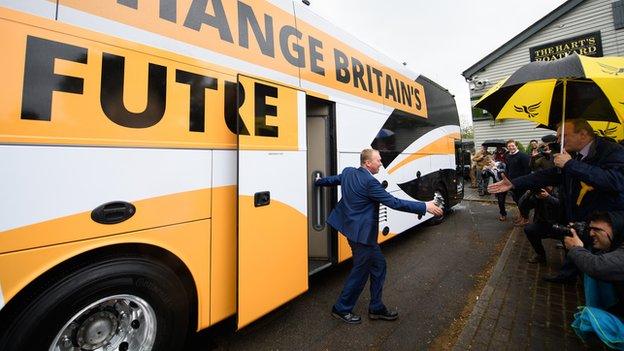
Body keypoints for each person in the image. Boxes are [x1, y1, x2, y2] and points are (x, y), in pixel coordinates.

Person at [315, 149, 443, 324]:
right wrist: (424, 206)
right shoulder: (370, 183)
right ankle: (341, 308)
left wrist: (319, 182)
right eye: (378, 160)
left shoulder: (349, 172)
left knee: (379, 266)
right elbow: (394, 202)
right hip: (363, 236)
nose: (381, 163)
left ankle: (376, 307)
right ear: (368, 163)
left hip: (352, 230)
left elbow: (334, 179)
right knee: (360, 273)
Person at [488, 118, 624, 283]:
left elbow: (615, 181)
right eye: (558, 136)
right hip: (576, 218)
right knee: (574, 246)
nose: (558, 141)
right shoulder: (573, 155)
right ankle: (567, 276)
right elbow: (550, 175)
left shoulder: (611, 151)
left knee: (596, 270)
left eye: (563, 136)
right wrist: (514, 183)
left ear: (583, 134)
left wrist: (571, 165)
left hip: (602, 221)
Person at [564, 211, 624, 348]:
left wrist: (575, 248)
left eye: (596, 230)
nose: (591, 234)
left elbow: (596, 266)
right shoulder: (614, 245)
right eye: (590, 229)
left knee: (589, 321)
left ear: (616, 229)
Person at [522, 186, 560, 264]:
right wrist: (529, 194)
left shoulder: (560, 188)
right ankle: (540, 255)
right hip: (543, 224)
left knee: (569, 239)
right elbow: (524, 207)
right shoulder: (539, 190)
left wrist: (548, 197)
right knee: (529, 230)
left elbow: (561, 205)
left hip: (560, 224)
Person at [504, 139, 531, 223]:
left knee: (523, 201)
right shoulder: (508, 156)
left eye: (512, 146)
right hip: (512, 182)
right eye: (509, 146)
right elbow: (508, 169)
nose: (511, 147)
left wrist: (524, 181)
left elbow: (528, 170)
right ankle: (520, 216)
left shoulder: (523, 156)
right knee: (517, 200)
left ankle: (525, 219)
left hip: (522, 182)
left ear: (516, 146)